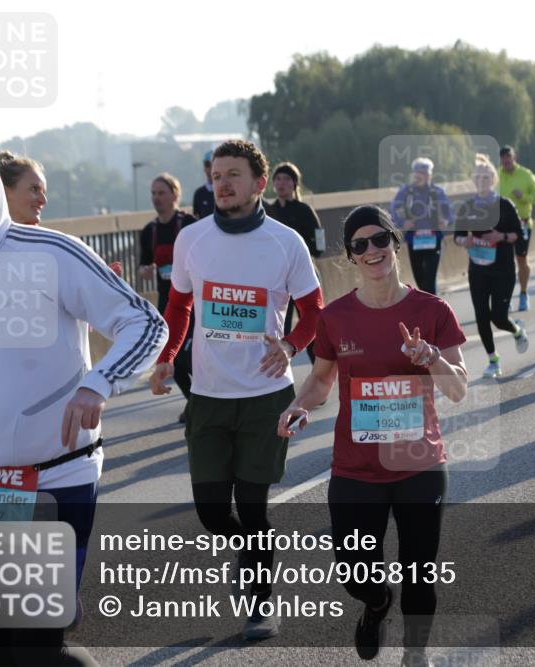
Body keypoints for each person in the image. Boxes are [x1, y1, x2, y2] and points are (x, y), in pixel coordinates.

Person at [0, 142, 167, 666]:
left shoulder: (51, 254)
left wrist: (99, 382)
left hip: (56, 476)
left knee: (34, 641)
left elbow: (145, 323)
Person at [277, 205, 468, 667]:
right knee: (352, 569)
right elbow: (322, 379)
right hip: (355, 468)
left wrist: (430, 359)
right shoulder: (336, 317)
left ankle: (415, 653)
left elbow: (459, 387)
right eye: (359, 245)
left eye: (379, 240)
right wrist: (296, 406)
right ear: (351, 256)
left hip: (419, 465)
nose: (371, 251)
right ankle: (378, 602)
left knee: (420, 572)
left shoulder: (432, 310)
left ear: (394, 243)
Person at [148, 139, 323, 641]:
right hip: (207, 394)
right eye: (216, 176)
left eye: (233, 175)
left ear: (259, 183)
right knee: (209, 509)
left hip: (267, 395)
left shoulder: (285, 242)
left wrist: (289, 345)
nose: (222, 184)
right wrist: (165, 358)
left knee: (252, 506)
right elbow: (180, 307)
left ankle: (259, 603)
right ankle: (254, 551)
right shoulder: (191, 239)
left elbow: (315, 312)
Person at [454, 154, 530, 378]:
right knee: (481, 314)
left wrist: (501, 236)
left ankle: (516, 330)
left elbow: (519, 235)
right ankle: (493, 360)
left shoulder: (505, 205)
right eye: (477, 176)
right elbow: (457, 236)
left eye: (486, 176)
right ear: (473, 180)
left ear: (493, 179)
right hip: (478, 269)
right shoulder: (467, 207)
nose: (482, 180)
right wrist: (464, 241)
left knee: (498, 316)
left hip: (503, 270)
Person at [0, 151, 124, 277]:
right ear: (6, 192)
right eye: (34, 189)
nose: (43, 200)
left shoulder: (55, 246)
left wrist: (96, 284)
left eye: (44, 192)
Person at [265, 162, 324, 365]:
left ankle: (319, 370)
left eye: (286, 179)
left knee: (310, 324)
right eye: (278, 179)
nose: (281, 183)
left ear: (295, 184)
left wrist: (300, 250)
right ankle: (280, 370)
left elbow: (320, 244)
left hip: (303, 275)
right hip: (277, 278)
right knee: (280, 328)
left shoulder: (304, 210)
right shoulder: (267, 211)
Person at [390, 158, 454, 295]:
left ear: (430, 175)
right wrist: (402, 223)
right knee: (420, 280)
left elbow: (450, 213)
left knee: (430, 281)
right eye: (417, 172)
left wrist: (446, 221)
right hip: (414, 241)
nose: (420, 175)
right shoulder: (406, 192)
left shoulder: (438, 192)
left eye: (424, 173)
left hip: (433, 240)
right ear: (413, 174)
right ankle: (431, 308)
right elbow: (393, 210)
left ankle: (433, 312)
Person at [139, 173, 197, 313]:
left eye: (161, 193)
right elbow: (143, 266)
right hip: (166, 302)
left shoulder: (189, 224)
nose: (156, 198)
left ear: (175, 195)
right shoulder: (149, 231)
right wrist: (144, 271)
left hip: (193, 302)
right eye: (153, 193)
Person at [497, 145, 535, 311]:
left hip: (523, 224)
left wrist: (523, 197)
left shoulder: (525, 175)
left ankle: (523, 293)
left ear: (514, 157)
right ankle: (507, 296)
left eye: (509, 159)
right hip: (502, 227)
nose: (506, 162)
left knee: (521, 260)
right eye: (503, 160)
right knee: (504, 263)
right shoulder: (496, 176)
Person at [191, 150, 216, 219]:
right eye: (207, 165)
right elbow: (196, 217)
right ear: (204, 168)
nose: (210, 168)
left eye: (213, 164)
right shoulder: (199, 193)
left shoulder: (225, 191)